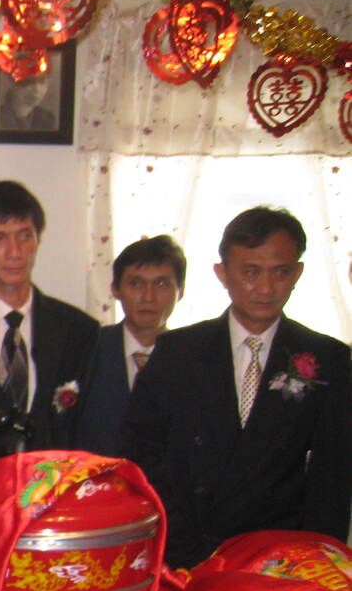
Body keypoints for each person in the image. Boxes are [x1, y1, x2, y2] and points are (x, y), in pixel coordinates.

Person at [122, 207, 351, 569]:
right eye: (251, 272)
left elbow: (332, 476)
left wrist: (317, 563)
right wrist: (174, 545)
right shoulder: (178, 350)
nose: (266, 287)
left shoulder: (327, 357)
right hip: (186, 550)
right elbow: (142, 453)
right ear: (222, 274)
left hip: (280, 557)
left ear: (297, 273)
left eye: (280, 272)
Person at [0, 180, 98, 483]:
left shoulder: (78, 330)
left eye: (25, 236)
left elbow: (87, 429)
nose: (15, 252)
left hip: (52, 494)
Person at [73, 235, 186, 457]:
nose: (148, 297)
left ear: (180, 292)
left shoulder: (192, 358)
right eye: (136, 283)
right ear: (115, 290)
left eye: (161, 284)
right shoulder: (86, 349)